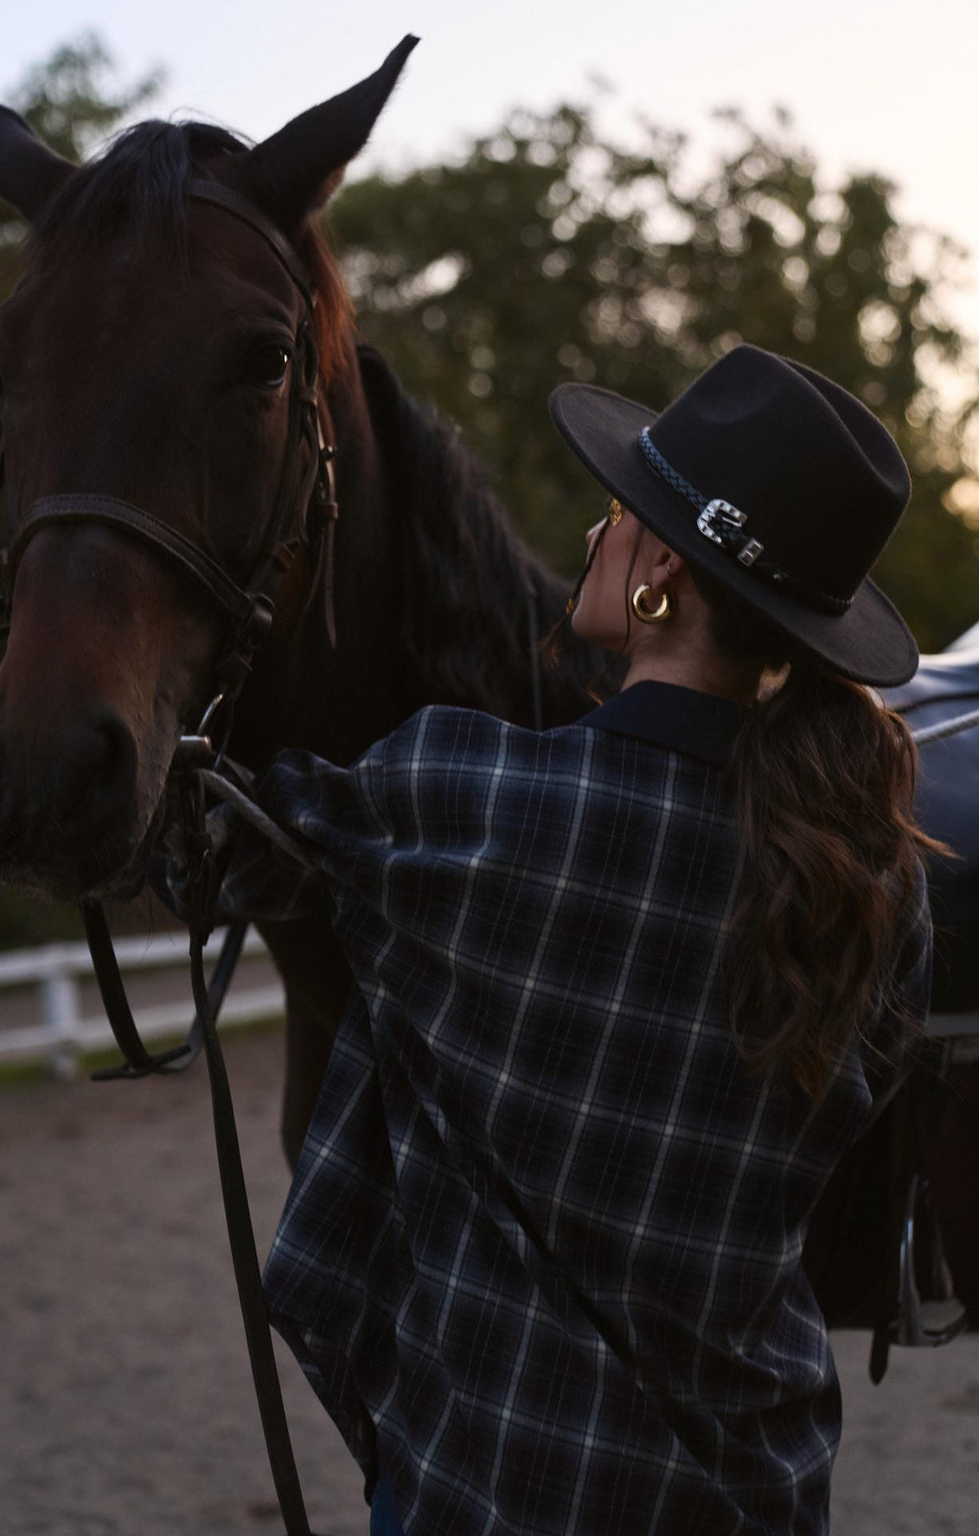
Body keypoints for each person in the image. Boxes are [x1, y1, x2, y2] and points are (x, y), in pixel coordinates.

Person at [172, 345, 935, 1533]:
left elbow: (201, 840)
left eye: (618, 513)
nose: (590, 534)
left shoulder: (457, 793)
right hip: (755, 1486)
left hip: (498, 1483)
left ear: (660, 572)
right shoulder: (878, 885)